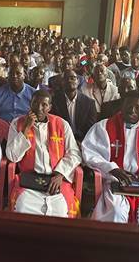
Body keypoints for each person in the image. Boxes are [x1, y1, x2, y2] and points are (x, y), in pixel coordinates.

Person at [82, 91, 139, 225]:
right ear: (122, 106)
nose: (132, 111)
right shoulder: (104, 127)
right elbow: (90, 153)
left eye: (138, 108)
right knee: (116, 211)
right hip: (116, 182)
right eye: (129, 106)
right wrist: (112, 169)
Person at [6, 90, 82, 218]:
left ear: (50, 107)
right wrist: (26, 129)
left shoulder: (62, 124)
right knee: (22, 207)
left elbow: (74, 153)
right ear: (30, 104)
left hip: (55, 181)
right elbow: (12, 156)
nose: (39, 108)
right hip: (29, 182)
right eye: (35, 103)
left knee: (61, 211)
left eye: (44, 105)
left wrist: (60, 174)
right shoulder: (17, 123)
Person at [50, 70, 97, 143]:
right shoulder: (54, 102)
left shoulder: (89, 103)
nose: (69, 80)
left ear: (78, 81)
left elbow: (91, 127)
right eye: (66, 78)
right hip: (61, 140)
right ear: (62, 82)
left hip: (83, 141)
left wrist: (78, 141)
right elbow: (53, 124)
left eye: (73, 78)